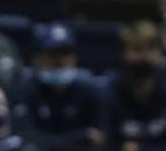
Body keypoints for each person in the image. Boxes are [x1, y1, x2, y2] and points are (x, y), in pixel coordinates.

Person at [101, 21, 166, 151]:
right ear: (123, 53)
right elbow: (104, 144)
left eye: (150, 49)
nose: (144, 57)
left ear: (160, 53)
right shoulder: (107, 95)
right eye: (136, 50)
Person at [10, 23, 102, 151]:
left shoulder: (89, 90)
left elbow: (100, 138)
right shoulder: (23, 88)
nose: (60, 61)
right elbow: (25, 138)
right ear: (35, 58)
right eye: (52, 54)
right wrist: (80, 138)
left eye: (65, 53)